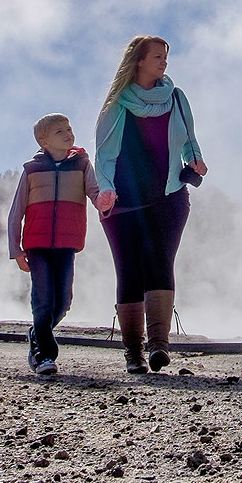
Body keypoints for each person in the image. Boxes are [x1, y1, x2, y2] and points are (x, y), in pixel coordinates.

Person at [94, 35, 207, 374]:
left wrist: (196, 160)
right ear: (139, 60)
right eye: (157, 56)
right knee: (129, 271)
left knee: (160, 264)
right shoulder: (117, 104)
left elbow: (189, 140)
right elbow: (104, 155)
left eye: (166, 57)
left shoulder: (175, 98)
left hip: (169, 197)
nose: (164, 62)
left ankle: (158, 347)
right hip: (123, 203)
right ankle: (133, 354)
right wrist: (106, 190)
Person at [6, 113, 100, 377]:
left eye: (69, 128)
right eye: (60, 131)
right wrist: (16, 249)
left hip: (67, 243)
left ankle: (37, 332)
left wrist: (104, 200)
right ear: (44, 141)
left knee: (63, 302)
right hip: (37, 245)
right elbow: (16, 212)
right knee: (43, 298)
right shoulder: (32, 170)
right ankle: (44, 354)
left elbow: (93, 191)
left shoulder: (81, 164)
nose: (68, 133)